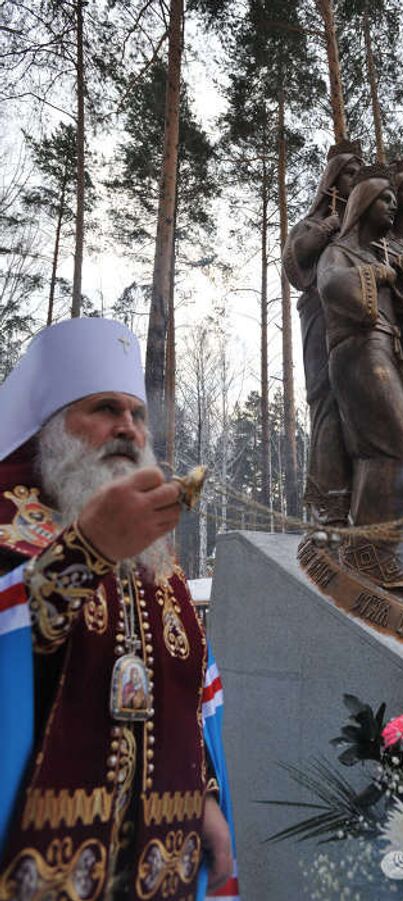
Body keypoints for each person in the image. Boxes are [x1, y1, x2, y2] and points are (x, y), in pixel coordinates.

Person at [0, 318, 237, 900]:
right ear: (52, 428)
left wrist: (206, 798)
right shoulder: (9, 523)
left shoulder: (160, 559)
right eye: (106, 409)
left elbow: (186, 691)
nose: (127, 428)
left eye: (138, 414)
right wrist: (87, 552)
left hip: (162, 859)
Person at [317, 164, 403, 600]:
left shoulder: (376, 254)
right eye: (384, 199)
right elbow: (330, 288)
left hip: (382, 352)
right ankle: (380, 558)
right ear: (363, 206)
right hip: (357, 352)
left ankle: (374, 557)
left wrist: (395, 273)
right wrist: (378, 275)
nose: (393, 206)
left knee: (378, 457)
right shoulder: (339, 251)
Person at [283, 140, 363, 526]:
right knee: (327, 398)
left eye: (358, 173)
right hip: (320, 313)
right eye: (349, 172)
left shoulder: (364, 228)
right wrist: (328, 228)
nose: (355, 179)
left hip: (360, 321)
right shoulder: (314, 221)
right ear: (332, 178)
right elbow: (295, 260)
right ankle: (328, 500)